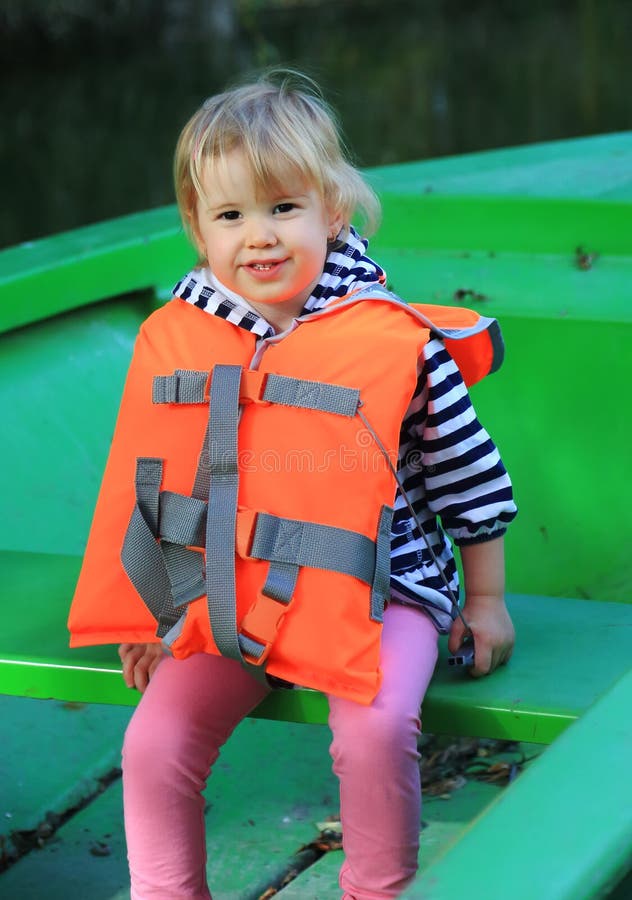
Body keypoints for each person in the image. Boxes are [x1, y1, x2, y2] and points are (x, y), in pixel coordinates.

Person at [97, 71, 516, 898]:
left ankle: (376, 889)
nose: (260, 236)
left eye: (283, 208)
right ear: (198, 229)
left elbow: (471, 474)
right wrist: (157, 609)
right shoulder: (186, 338)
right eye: (231, 215)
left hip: (384, 588)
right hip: (235, 591)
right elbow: (160, 482)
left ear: (333, 210)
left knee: (374, 730)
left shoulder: (396, 339)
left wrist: (488, 598)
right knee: (152, 744)